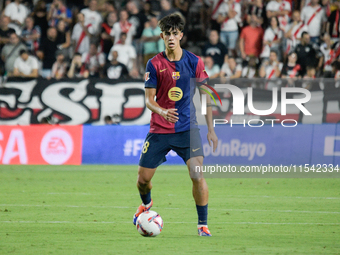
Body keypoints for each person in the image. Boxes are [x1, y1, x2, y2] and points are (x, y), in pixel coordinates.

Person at [133, 14, 218, 237]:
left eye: (175, 33)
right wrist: (162, 111)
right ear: (162, 36)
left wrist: (211, 129)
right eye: (167, 34)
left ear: (181, 35)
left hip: (187, 129)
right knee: (143, 180)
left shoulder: (195, 62)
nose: (171, 37)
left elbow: (206, 96)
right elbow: (149, 100)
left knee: (197, 174)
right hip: (159, 130)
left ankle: (203, 225)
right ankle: (147, 204)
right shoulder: (154, 64)